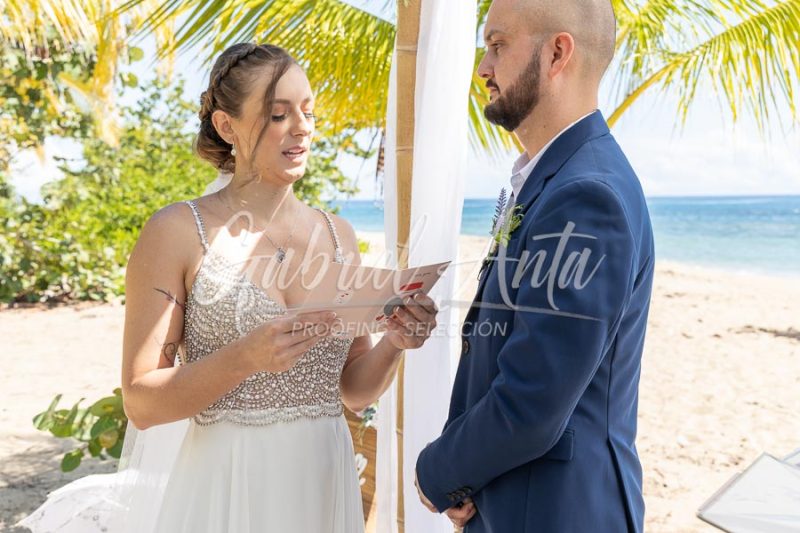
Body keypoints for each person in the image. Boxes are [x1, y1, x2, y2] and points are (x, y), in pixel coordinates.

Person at [17, 42, 438, 533]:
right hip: (228, 485)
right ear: (226, 126)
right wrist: (245, 357)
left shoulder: (338, 235)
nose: (301, 127)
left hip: (323, 482)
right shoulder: (176, 231)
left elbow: (353, 391)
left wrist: (395, 342)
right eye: (278, 114)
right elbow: (141, 402)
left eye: (308, 111)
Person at [414, 0, 654, 532]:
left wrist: (438, 472)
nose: (483, 67)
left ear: (556, 53)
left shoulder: (587, 195)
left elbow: (533, 401)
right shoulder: (560, 179)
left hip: (556, 512)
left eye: (498, 45)